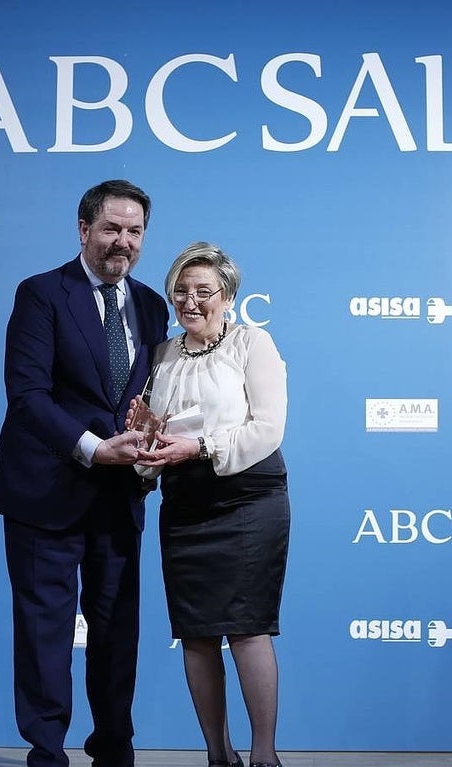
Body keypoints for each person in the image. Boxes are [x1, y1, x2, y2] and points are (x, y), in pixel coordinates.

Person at [0, 180, 170, 767]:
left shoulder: (149, 303)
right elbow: (27, 395)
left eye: (135, 231)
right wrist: (93, 449)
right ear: (84, 229)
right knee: (45, 634)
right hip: (47, 490)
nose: (124, 242)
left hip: (119, 496)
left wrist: (144, 442)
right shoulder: (42, 293)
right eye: (112, 229)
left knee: (118, 632)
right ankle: (46, 753)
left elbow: (141, 394)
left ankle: (114, 747)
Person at [128, 242, 289, 767]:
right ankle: (218, 756)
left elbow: (266, 428)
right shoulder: (162, 356)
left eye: (204, 291)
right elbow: (153, 447)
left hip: (248, 499)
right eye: (181, 291)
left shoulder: (251, 343)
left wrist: (201, 446)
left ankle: (264, 756)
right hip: (185, 504)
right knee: (196, 635)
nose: (191, 301)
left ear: (228, 297)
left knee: (247, 627)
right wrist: (145, 445)